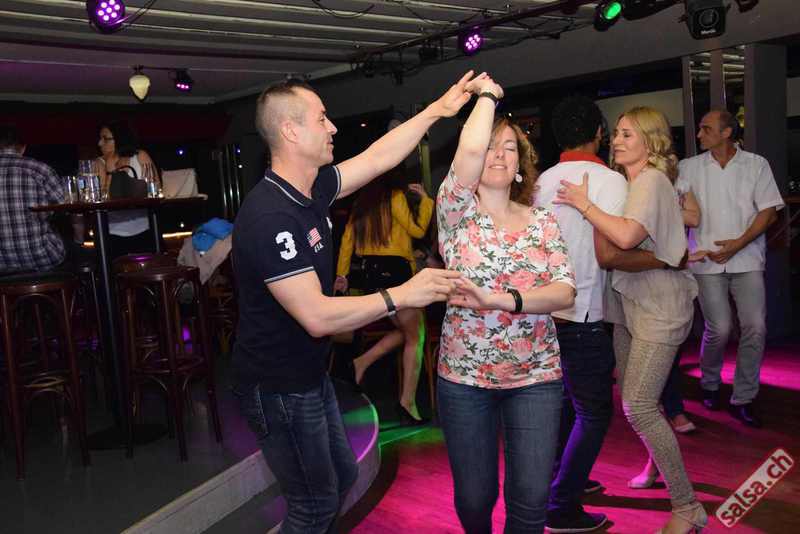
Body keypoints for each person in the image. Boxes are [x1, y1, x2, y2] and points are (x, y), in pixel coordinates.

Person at [231, 73, 473, 534]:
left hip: (307, 375)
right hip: (277, 387)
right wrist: (402, 295)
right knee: (314, 505)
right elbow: (317, 316)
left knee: (341, 478)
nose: (333, 127)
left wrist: (436, 111)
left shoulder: (311, 188)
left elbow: (378, 157)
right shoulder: (270, 216)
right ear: (290, 131)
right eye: (322, 118)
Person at [555, 107, 707, 534]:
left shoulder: (651, 180)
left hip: (659, 307)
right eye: (617, 134)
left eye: (627, 134)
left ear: (651, 141)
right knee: (643, 399)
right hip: (629, 304)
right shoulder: (634, 182)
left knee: (637, 405)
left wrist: (585, 204)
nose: (617, 141)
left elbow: (623, 237)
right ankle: (658, 464)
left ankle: (688, 507)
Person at [437, 73, 576, 534]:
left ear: (520, 163)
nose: (498, 154)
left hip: (535, 376)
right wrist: (488, 96)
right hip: (465, 379)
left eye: (509, 148)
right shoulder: (456, 212)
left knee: (531, 498)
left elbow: (564, 291)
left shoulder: (542, 220)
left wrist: (500, 299)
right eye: (491, 146)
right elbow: (469, 151)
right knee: (475, 498)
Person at [676, 109, 784, 429]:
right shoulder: (688, 167)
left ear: (727, 133)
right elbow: (675, 211)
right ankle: (709, 383)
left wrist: (738, 244)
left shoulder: (756, 164)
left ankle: (744, 397)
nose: (699, 135)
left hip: (747, 258)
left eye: (706, 129)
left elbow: (769, 212)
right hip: (705, 261)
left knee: (755, 327)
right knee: (719, 328)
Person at [334, 167, 434, 422]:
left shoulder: (361, 204)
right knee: (417, 335)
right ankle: (407, 403)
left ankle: (361, 363)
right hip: (395, 272)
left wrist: (342, 274)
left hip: (371, 275)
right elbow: (417, 231)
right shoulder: (395, 197)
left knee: (408, 332)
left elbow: (347, 239)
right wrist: (426, 201)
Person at [0, 124, 67, 274]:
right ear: (23, 147)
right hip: (42, 256)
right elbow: (65, 207)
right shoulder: (40, 169)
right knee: (76, 246)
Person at [95, 121, 160, 258]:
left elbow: (157, 188)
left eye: (105, 139)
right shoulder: (99, 163)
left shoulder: (140, 156)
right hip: (113, 233)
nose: (100, 143)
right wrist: (110, 172)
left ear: (120, 139)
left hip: (145, 228)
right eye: (100, 138)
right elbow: (102, 199)